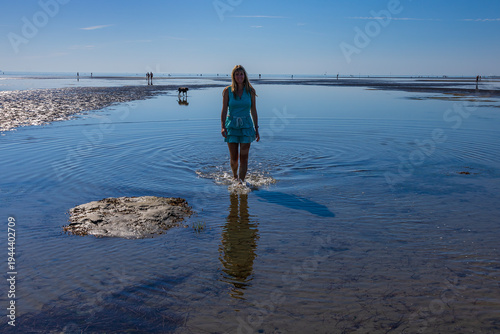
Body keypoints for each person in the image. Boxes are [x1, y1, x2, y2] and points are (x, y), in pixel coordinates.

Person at [221, 65, 260, 183]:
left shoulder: (251, 91)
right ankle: (234, 176)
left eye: (241, 74)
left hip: (247, 126)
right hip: (232, 126)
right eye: (237, 74)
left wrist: (256, 128)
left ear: (245, 75)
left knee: (244, 158)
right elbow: (223, 110)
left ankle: (241, 182)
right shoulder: (227, 91)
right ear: (233, 76)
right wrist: (223, 127)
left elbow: (253, 110)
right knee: (234, 158)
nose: (239, 76)